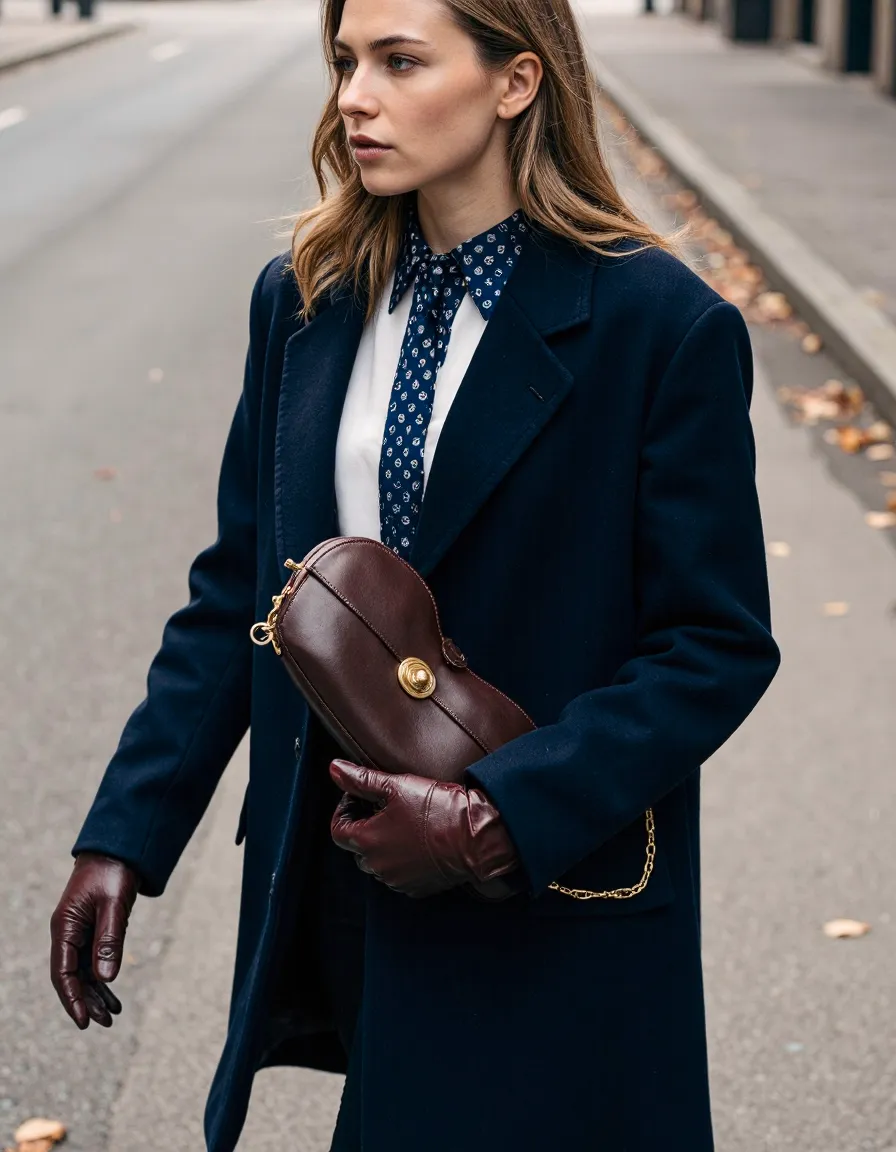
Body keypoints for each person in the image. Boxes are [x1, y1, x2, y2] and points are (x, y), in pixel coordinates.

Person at [48, 0, 782, 1147]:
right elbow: (240, 590)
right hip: (351, 875)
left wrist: (502, 810)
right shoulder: (303, 298)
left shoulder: (659, 327)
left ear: (514, 82)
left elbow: (713, 644)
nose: (353, 96)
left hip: (541, 881)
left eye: (399, 61)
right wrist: (127, 832)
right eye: (345, 61)